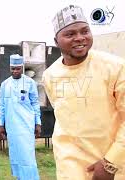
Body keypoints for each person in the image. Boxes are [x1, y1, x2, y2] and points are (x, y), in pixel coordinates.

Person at [42, 5, 125, 180]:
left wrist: (110, 163)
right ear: (56, 41)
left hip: (112, 166)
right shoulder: (50, 75)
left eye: (85, 31)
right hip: (69, 167)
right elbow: (63, 118)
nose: (79, 38)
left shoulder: (115, 67)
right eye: (70, 34)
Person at [0, 54, 41, 180]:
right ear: (10, 68)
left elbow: (35, 103)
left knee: (27, 154)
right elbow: (2, 106)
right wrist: (1, 125)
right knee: (16, 154)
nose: (15, 71)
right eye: (12, 68)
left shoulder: (30, 83)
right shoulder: (5, 84)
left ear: (22, 68)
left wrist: (38, 123)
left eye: (17, 68)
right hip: (12, 126)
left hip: (27, 124)